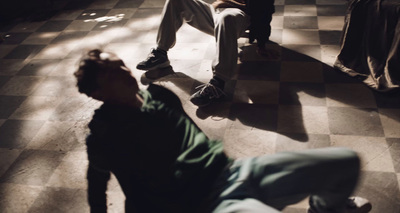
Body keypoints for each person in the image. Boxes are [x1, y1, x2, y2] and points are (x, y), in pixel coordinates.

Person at [75, 49, 372, 213]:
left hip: (233, 174)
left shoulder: (159, 94)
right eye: (113, 74)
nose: (126, 73)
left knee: (345, 163)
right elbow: (96, 186)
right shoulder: (105, 134)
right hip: (203, 204)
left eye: (122, 65)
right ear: (97, 92)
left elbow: (194, 136)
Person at [136, 0, 275, 107]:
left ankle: (218, 83)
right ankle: (161, 52)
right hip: (216, 11)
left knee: (226, 17)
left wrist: (261, 44)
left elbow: (263, 9)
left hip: (239, 15)